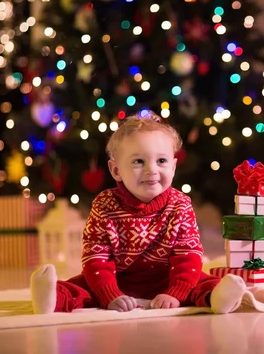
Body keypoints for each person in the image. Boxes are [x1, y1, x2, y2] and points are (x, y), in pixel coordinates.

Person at [30, 111, 246, 314]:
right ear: (116, 170)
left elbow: (187, 255)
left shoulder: (180, 204)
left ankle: (219, 299)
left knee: (200, 280)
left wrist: (175, 293)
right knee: (81, 286)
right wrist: (109, 294)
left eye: (161, 161)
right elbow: (96, 258)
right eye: (138, 161)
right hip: (116, 280)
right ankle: (51, 298)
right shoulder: (104, 205)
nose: (151, 170)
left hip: (168, 279)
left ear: (173, 167)